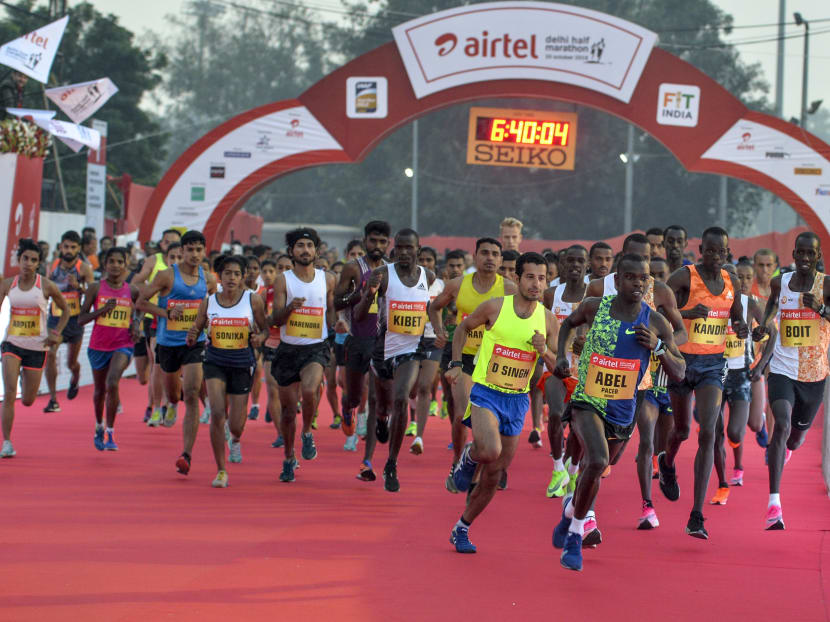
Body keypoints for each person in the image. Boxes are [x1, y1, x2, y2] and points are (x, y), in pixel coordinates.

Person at [553, 254, 685, 571]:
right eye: (631, 277)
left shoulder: (654, 322)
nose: (638, 283)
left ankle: (571, 510)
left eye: (643, 279)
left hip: (623, 408)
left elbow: (679, 371)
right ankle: (574, 537)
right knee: (596, 460)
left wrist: (658, 348)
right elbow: (567, 326)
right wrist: (560, 355)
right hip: (588, 398)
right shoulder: (594, 306)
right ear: (618, 279)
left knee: (599, 467)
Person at [448, 252, 558, 553]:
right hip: (486, 391)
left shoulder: (547, 319)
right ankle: (469, 456)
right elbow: (462, 329)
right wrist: (456, 363)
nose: (536, 283)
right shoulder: (496, 307)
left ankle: (462, 527)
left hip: (518, 399)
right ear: (518, 279)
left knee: (495, 473)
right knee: (490, 450)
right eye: (531, 277)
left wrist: (544, 350)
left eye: (542, 277)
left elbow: (558, 365)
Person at [658, 227, 748, 539]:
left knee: (708, 432)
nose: (714, 256)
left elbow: (736, 317)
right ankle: (667, 463)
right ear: (700, 249)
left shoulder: (730, 281)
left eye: (720, 252)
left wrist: (742, 327)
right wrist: (687, 312)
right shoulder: (685, 277)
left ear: (727, 252)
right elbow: (658, 312)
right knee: (681, 430)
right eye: (709, 251)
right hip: (681, 362)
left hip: (713, 365)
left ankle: (697, 515)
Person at [752, 232, 830, 530]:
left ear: (818, 254)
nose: (806, 259)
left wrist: (820, 309)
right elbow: (771, 309)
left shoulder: (826, 285)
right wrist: (762, 328)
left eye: (811, 254)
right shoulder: (780, 282)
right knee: (781, 425)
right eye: (801, 253)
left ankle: (789, 447)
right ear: (794, 254)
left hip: (814, 374)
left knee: (795, 437)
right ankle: (774, 504)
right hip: (783, 369)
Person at [428, 238, 516, 492]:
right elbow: (435, 307)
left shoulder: (509, 289)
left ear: (500, 260)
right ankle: (458, 461)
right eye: (485, 253)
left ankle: (483, 465)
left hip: (494, 361)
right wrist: (439, 330)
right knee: (461, 413)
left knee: (491, 418)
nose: (490, 258)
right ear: (475, 257)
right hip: (462, 358)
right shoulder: (457, 285)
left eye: (495, 254)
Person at [353, 229, 434, 491]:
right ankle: (381, 420)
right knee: (384, 405)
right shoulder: (381, 275)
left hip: (411, 350)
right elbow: (359, 315)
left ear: (418, 250)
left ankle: (391, 462)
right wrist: (369, 294)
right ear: (394, 249)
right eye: (399, 247)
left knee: (401, 398)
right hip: (383, 350)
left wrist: (440, 330)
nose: (404, 252)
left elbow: (430, 308)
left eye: (409, 247)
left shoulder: (428, 276)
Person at [186, 254, 269, 487]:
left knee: (235, 423)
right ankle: (221, 470)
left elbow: (266, 330)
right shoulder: (209, 301)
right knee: (217, 412)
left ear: (243, 277)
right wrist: (192, 334)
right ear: (219, 276)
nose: (231, 278)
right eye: (227, 273)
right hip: (214, 361)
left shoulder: (253, 301)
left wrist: (259, 338)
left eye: (236, 273)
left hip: (242, 363)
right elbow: (197, 326)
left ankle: (235, 439)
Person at [138, 230, 215, 475]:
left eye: (198, 250)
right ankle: (171, 403)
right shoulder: (166, 276)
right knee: (174, 394)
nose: (194, 254)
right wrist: (166, 313)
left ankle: (187, 454)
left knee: (192, 393)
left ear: (204, 252)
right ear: (181, 251)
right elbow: (141, 302)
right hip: (168, 344)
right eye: (189, 250)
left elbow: (214, 306)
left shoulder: (209, 279)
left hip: (194, 343)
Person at [271, 227, 336, 482]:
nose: (305, 250)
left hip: (315, 348)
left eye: (310, 246)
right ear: (291, 251)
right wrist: (290, 308)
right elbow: (275, 319)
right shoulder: (283, 280)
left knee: (309, 391)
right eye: (300, 246)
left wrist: (336, 325)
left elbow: (330, 310)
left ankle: (307, 432)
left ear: (317, 251)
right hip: (288, 349)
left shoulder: (327, 279)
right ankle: (288, 457)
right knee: (288, 413)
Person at [0, 240, 67, 457]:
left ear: (38, 263)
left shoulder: (46, 285)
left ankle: (23, 378)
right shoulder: (7, 284)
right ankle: (7, 442)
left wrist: (56, 333)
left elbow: (65, 311)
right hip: (12, 344)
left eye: (33, 260)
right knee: (10, 393)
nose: (28, 263)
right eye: (25, 259)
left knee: (28, 400)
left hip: (37, 347)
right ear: (18, 260)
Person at [334, 221, 390, 475]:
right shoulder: (352, 268)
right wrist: (361, 293)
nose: (377, 246)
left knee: (377, 397)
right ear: (365, 240)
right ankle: (347, 407)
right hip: (358, 338)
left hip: (384, 341)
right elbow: (337, 302)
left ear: (388, 243)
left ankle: (367, 460)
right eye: (373, 241)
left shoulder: (392, 271)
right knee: (355, 395)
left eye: (382, 241)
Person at [711, 261, 767, 504]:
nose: (737, 283)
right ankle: (723, 483)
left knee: (735, 430)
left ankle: (739, 464)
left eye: (742, 278)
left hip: (742, 374)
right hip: (714, 375)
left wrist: (758, 335)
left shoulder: (750, 304)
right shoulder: (712, 302)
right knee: (714, 434)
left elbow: (768, 332)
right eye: (732, 278)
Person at [78, 247, 141, 452]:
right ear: (105, 264)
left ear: (125, 265)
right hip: (98, 346)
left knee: (112, 382)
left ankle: (111, 432)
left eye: (119, 262)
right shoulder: (95, 288)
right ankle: (99, 425)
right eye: (111, 261)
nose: (115, 265)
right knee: (99, 391)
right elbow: (81, 319)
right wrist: (104, 310)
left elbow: (139, 312)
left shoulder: (132, 291)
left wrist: (136, 325)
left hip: (123, 344)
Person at [542, 245, 588, 497]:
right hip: (556, 367)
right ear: (561, 264)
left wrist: (587, 343)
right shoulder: (551, 294)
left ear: (587, 264)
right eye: (570, 260)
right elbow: (543, 324)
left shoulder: (594, 295)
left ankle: (573, 470)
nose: (575, 265)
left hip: (585, 372)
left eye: (580, 261)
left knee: (580, 426)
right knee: (556, 414)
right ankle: (558, 467)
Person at [130, 229, 183, 424]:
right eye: (167, 242)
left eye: (175, 242)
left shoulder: (189, 268)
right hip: (156, 318)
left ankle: (171, 404)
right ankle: (154, 407)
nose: (171, 246)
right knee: (156, 366)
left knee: (175, 369)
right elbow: (135, 284)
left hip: (181, 323)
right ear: (162, 244)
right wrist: (150, 295)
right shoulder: (155, 262)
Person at [44, 231, 94, 413]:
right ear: (60, 247)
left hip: (74, 320)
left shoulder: (84, 268)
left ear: (78, 249)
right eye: (66, 246)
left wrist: (78, 287)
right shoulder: (54, 265)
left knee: (70, 363)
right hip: (55, 319)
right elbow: (46, 288)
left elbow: (92, 293)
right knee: (50, 353)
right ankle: (53, 399)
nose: (69, 250)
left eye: (73, 247)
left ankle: (75, 376)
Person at [405, 245, 444, 454]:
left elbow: (448, 311)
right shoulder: (407, 284)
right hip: (409, 339)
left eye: (429, 260)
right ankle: (410, 419)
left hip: (431, 340)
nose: (425, 263)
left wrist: (442, 331)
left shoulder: (440, 286)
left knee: (424, 386)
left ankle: (419, 436)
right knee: (410, 387)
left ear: (434, 263)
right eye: (422, 259)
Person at [263, 255, 293, 447]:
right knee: (273, 390)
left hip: (296, 346)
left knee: (291, 395)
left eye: (287, 267)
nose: (282, 271)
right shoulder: (266, 294)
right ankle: (281, 433)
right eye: (279, 267)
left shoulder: (303, 291)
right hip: (272, 345)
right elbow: (261, 322)